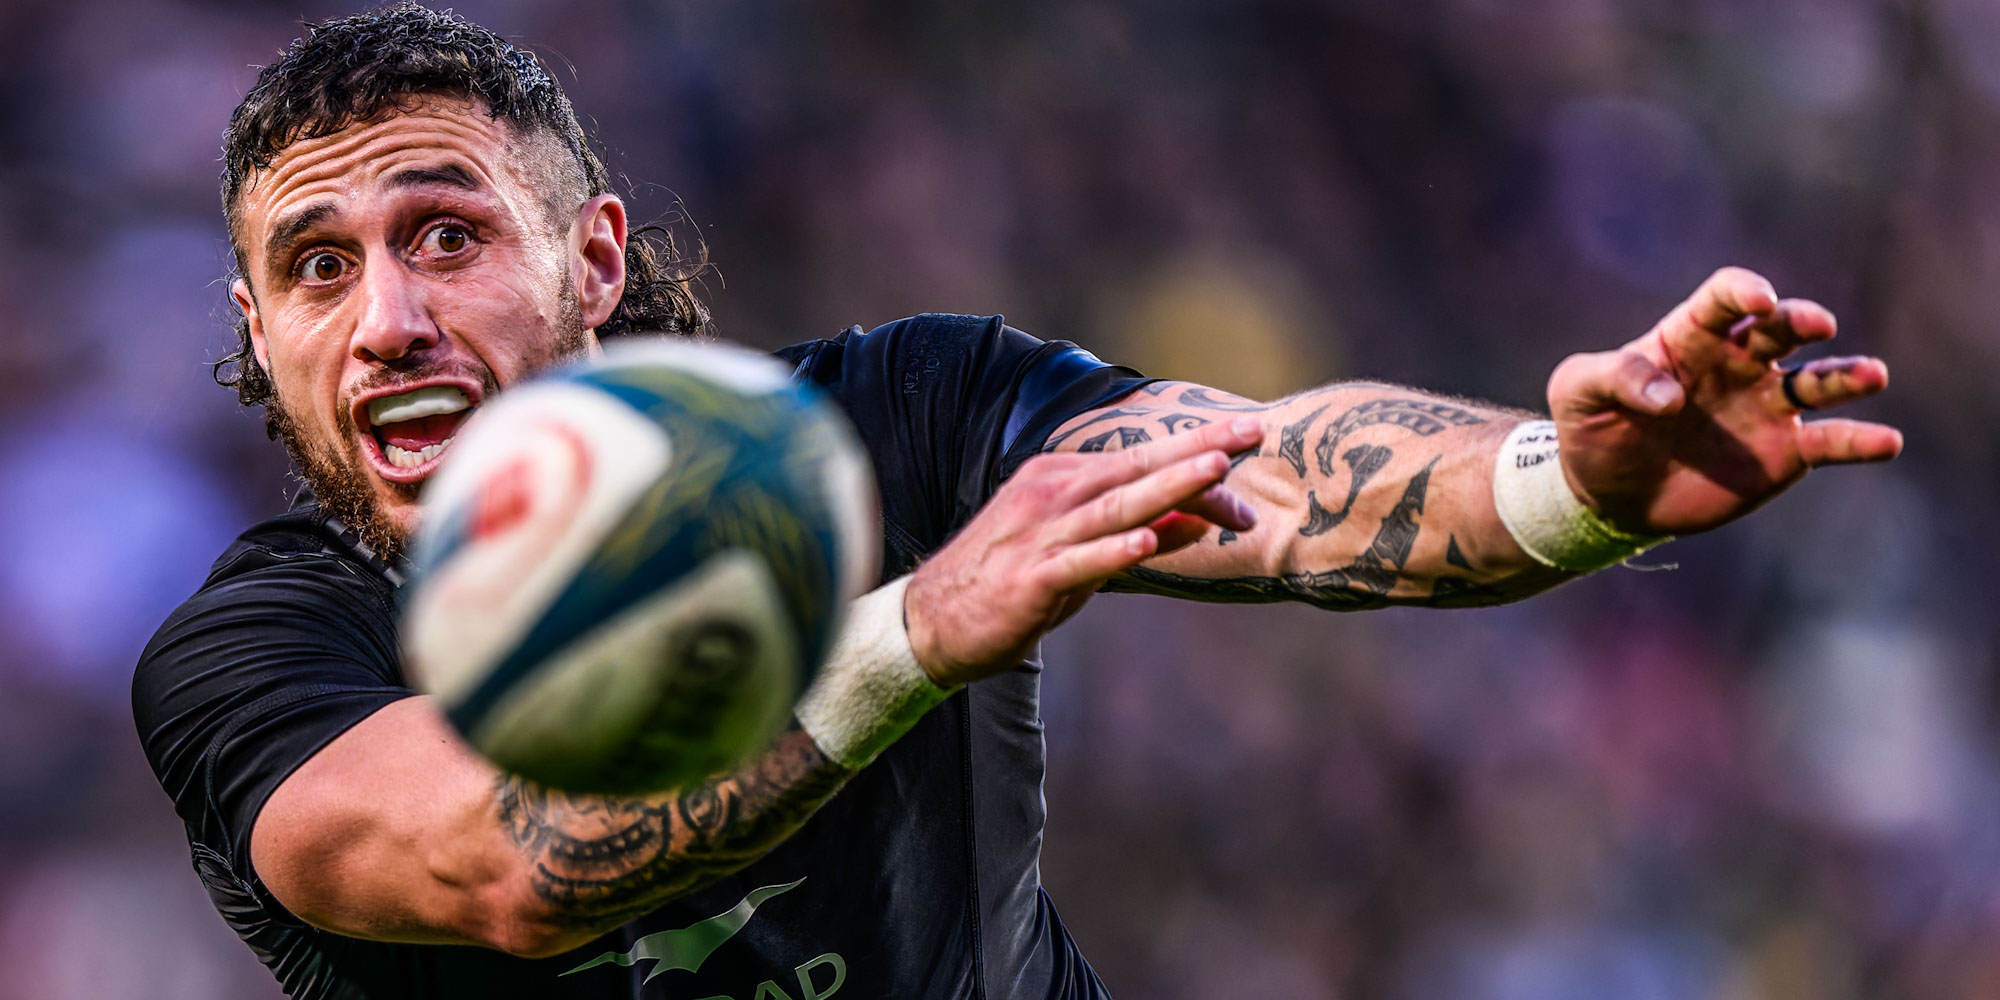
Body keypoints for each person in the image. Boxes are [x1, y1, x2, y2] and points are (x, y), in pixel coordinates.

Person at [132, 5, 1901, 1000]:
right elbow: (507, 860)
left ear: (593, 261)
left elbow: (1273, 473)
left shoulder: (896, 421)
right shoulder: (252, 662)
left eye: (447, 235)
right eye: (316, 267)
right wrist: (916, 632)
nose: (388, 318)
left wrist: (1567, 483)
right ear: (259, 329)